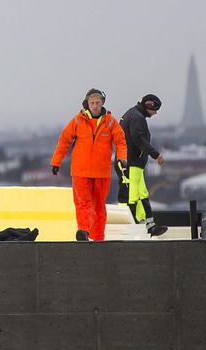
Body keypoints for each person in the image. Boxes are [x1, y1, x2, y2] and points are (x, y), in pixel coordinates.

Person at [51, 89, 127, 241]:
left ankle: (98, 238)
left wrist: (122, 158)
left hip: (102, 172)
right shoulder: (78, 120)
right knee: (83, 203)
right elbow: (64, 140)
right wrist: (56, 161)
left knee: (99, 206)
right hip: (81, 171)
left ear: (103, 103)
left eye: (98, 103)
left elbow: (120, 142)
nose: (95, 106)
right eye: (92, 103)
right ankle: (84, 231)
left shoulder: (111, 122)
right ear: (87, 103)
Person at [114, 94, 168, 237]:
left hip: (132, 164)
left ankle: (148, 225)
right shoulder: (137, 117)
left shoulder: (132, 114)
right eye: (155, 109)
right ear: (149, 106)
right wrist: (156, 154)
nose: (155, 113)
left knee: (141, 194)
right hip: (131, 164)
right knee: (132, 197)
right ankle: (132, 228)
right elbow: (138, 139)